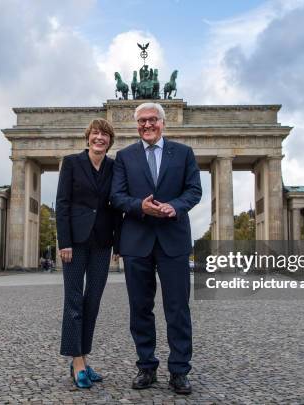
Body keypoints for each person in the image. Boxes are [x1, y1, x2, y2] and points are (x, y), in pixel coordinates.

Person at [111, 102, 202, 395]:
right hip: (137, 240)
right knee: (140, 308)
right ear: (136, 125)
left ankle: (179, 370)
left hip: (173, 239)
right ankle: (146, 366)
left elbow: (194, 190)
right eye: (142, 121)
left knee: (177, 308)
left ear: (163, 123)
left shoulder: (184, 153)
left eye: (152, 120)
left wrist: (174, 207)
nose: (147, 125)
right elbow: (116, 196)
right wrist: (140, 206)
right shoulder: (124, 157)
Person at [56, 118, 121, 389]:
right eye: (96, 133)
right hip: (76, 242)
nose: (99, 138)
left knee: (92, 301)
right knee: (73, 301)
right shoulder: (71, 162)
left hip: (102, 242)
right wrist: (64, 242)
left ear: (109, 141)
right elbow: (62, 203)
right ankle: (78, 361)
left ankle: (84, 357)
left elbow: (116, 206)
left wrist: (118, 245)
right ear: (88, 137)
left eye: (104, 135)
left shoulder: (113, 166)